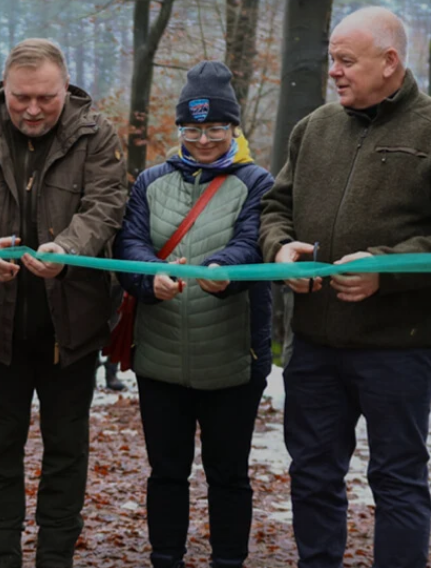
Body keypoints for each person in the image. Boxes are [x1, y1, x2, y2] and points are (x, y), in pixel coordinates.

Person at [259, 8, 431, 568]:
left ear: (389, 62)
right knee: (313, 477)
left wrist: (386, 270)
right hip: (314, 346)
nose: (334, 73)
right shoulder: (313, 127)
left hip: (399, 346)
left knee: (397, 481)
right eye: (332, 61)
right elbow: (275, 207)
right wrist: (279, 247)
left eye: (347, 61)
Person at [0, 38, 128, 567]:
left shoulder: (97, 133)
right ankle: (1, 556)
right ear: (3, 88)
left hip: (70, 329)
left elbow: (107, 204)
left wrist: (69, 248)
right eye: (20, 97)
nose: (31, 109)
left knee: (66, 453)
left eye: (44, 98)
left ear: (64, 89)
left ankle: (55, 557)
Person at [115, 61, 273, 568]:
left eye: (215, 128)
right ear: (180, 129)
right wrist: (148, 277)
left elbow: (255, 243)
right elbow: (130, 242)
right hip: (160, 358)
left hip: (233, 358)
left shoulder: (256, 182)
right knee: (166, 471)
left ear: (234, 128)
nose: (204, 139)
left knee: (229, 473)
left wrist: (223, 269)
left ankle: (228, 559)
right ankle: (166, 557)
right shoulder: (151, 181)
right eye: (193, 128)